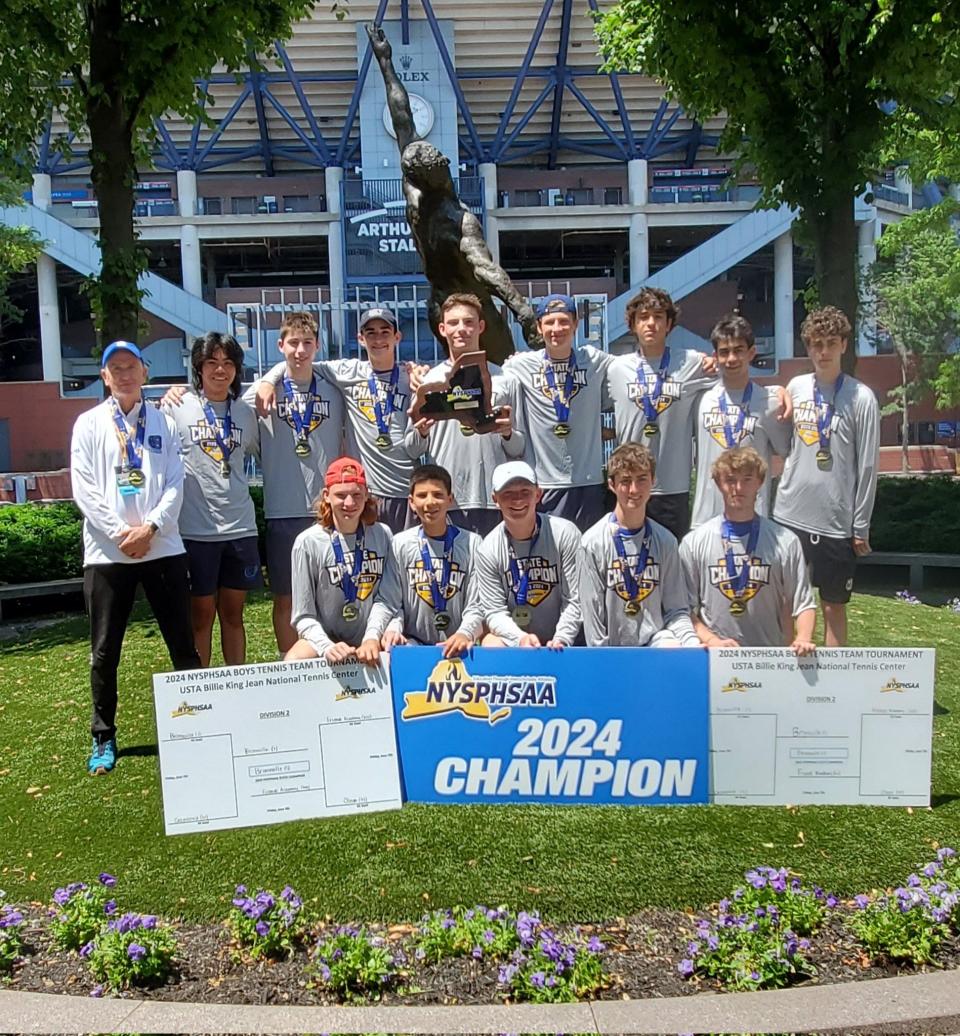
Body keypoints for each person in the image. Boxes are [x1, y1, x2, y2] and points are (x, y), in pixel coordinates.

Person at [70, 341, 200, 775]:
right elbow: (84, 488)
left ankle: (197, 727)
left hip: (162, 547)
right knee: (105, 652)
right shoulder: (88, 424)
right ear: (105, 377)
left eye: (131, 367)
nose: (124, 375)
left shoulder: (163, 421)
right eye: (115, 369)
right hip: (108, 554)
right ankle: (103, 738)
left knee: (183, 645)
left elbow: (177, 483)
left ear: (144, 372)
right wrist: (120, 533)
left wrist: (152, 529)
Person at [773, 306, 880, 646]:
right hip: (790, 515)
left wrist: (859, 525)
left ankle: (833, 687)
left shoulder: (861, 398)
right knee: (787, 601)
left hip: (835, 521)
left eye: (831, 343)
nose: (823, 352)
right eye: (816, 344)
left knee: (833, 605)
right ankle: (784, 679)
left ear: (844, 346)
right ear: (808, 347)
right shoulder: (796, 386)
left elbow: (867, 467)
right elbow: (784, 444)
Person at [256, 307, 417, 532]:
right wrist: (268, 381)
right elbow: (298, 360)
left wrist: (416, 370)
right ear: (360, 339)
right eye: (370, 332)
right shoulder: (347, 372)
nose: (378, 339)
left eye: (385, 332)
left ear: (397, 337)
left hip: (403, 489)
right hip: (362, 493)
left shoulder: (412, 378)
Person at [244, 311, 343, 653]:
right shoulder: (259, 395)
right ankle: (291, 668)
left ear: (317, 346)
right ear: (280, 345)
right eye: (293, 343)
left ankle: (331, 664)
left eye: (307, 343)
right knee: (286, 598)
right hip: (282, 510)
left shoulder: (334, 388)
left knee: (332, 595)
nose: (300, 351)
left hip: (329, 512)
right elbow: (245, 434)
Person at [163, 332, 261, 666]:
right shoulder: (177, 407)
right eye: (212, 363)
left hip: (240, 527)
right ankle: (201, 690)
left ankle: (236, 685)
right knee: (201, 615)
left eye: (228, 363)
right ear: (198, 368)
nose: (220, 370)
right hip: (196, 529)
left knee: (234, 614)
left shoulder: (246, 412)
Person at [406, 293, 525, 537]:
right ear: (442, 329)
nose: (462, 329)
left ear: (481, 326)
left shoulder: (506, 379)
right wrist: (422, 431)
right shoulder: (427, 381)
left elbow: (520, 448)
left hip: (495, 498)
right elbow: (412, 450)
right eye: (453, 323)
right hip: (448, 501)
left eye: (469, 322)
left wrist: (508, 434)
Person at [604, 287, 717, 540]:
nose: (651, 324)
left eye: (658, 317)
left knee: (670, 565)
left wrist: (778, 391)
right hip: (629, 485)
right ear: (633, 325)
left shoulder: (692, 363)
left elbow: (734, 379)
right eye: (643, 317)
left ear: (669, 324)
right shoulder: (616, 368)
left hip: (672, 486)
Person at [681, 447, 817, 653]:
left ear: (760, 483)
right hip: (715, 656)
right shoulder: (694, 543)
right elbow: (684, 609)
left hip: (768, 657)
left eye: (747, 479)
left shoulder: (786, 541)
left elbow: (803, 602)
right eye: (730, 480)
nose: (738, 487)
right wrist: (711, 640)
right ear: (719, 484)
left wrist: (803, 638)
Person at [501, 293, 613, 529]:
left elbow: (634, 369)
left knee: (585, 558)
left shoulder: (595, 360)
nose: (557, 328)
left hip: (588, 482)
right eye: (549, 322)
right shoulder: (520, 365)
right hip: (544, 483)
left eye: (563, 321)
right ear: (539, 327)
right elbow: (491, 382)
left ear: (575, 325)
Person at [580, 443, 699, 647]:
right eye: (625, 481)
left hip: (654, 642)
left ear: (653, 481)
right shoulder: (592, 543)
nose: (634, 490)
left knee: (673, 647)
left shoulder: (666, 541)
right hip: (611, 650)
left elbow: (676, 610)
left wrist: (692, 644)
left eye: (642, 479)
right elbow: (594, 622)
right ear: (611, 484)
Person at [367, 464, 484, 657]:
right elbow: (389, 601)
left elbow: (477, 604)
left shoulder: (473, 543)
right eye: (422, 496)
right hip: (413, 644)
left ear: (450, 499)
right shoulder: (399, 544)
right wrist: (382, 632)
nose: (430, 503)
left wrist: (465, 633)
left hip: (461, 643)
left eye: (438, 495)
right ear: (411, 502)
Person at [287, 457, 393, 665]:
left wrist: (372, 636)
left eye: (356, 495)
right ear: (326, 496)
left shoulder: (383, 535)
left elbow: (389, 599)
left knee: (398, 653)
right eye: (341, 495)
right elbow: (302, 615)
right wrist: (327, 646)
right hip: (327, 637)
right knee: (295, 659)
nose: (349, 503)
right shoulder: (307, 542)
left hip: (373, 634)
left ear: (366, 495)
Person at [690, 314, 792, 529]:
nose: (731, 359)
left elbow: (790, 456)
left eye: (738, 350)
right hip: (706, 518)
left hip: (753, 519)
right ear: (715, 356)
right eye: (724, 352)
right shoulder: (700, 399)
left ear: (751, 353)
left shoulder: (770, 403)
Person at [474, 461, 581, 647]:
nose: (517, 500)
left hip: (564, 642)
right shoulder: (487, 549)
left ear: (538, 494)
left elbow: (575, 599)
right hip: (519, 642)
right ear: (494, 498)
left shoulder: (565, 533)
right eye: (508, 493)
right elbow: (494, 611)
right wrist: (521, 639)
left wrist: (562, 638)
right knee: (491, 644)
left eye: (525, 492)